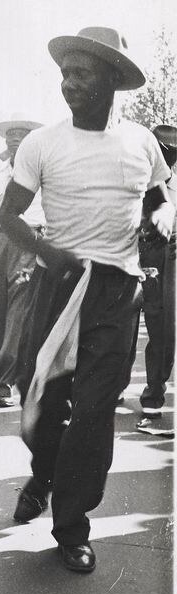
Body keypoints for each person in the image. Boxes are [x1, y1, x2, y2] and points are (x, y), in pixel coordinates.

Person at [0, 27, 173, 573]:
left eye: (82, 74)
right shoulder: (42, 143)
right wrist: (49, 252)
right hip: (57, 287)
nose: (68, 83)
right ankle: (45, 473)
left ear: (112, 81)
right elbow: (9, 217)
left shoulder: (141, 143)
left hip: (117, 291)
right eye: (65, 74)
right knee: (42, 403)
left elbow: (159, 203)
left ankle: (71, 525)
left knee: (95, 413)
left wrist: (162, 221)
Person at [0, 115, 44, 407]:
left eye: (22, 135)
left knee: (18, 313)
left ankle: (5, 380)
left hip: (29, 243)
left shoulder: (45, 171)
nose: (15, 139)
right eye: (11, 135)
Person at [137, 124, 176, 419]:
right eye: (163, 150)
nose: (168, 155)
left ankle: (154, 390)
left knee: (166, 326)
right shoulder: (143, 176)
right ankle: (153, 391)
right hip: (148, 254)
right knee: (157, 322)